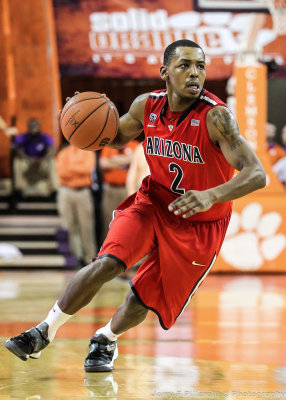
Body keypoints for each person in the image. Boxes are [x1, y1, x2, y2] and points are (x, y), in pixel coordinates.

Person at [3, 39, 266, 372]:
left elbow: (257, 174)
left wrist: (211, 195)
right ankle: (44, 331)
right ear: (164, 72)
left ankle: (106, 339)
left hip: (200, 222)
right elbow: (112, 137)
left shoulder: (216, 117)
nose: (194, 73)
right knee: (108, 263)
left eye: (200, 65)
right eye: (184, 65)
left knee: (142, 297)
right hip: (153, 203)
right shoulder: (147, 106)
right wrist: (77, 117)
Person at [56, 142, 97, 266]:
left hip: (83, 191)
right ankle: (72, 259)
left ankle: (89, 259)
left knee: (86, 226)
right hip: (65, 191)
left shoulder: (89, 151)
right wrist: (77, 169)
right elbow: (61, 172)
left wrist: (70, 167)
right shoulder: (64, 153)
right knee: (67, 226)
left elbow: (87, 169)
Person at [99, 141, 138, 239]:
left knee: (129, 224)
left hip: (128, 190)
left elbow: (137, 159)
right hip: (111, 190)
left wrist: (113, 160)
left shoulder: (134, 145)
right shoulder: (110, 145)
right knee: (109, 223)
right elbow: (103, 164)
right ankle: (108, 252)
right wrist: (128, 160)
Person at [13, 118, 57, 196]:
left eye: (36, 126)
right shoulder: (23, 137)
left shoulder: (45, 137)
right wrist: (29, 159)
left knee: (52, 161)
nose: (34, 128)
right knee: (17, 161)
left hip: (42, 162)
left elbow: (52, 150)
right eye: (32, 126)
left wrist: (41, 160)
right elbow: (18, 150)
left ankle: (54, 190)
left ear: (39, 127)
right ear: (28, 127)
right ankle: (18, 190)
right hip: (27, 162)